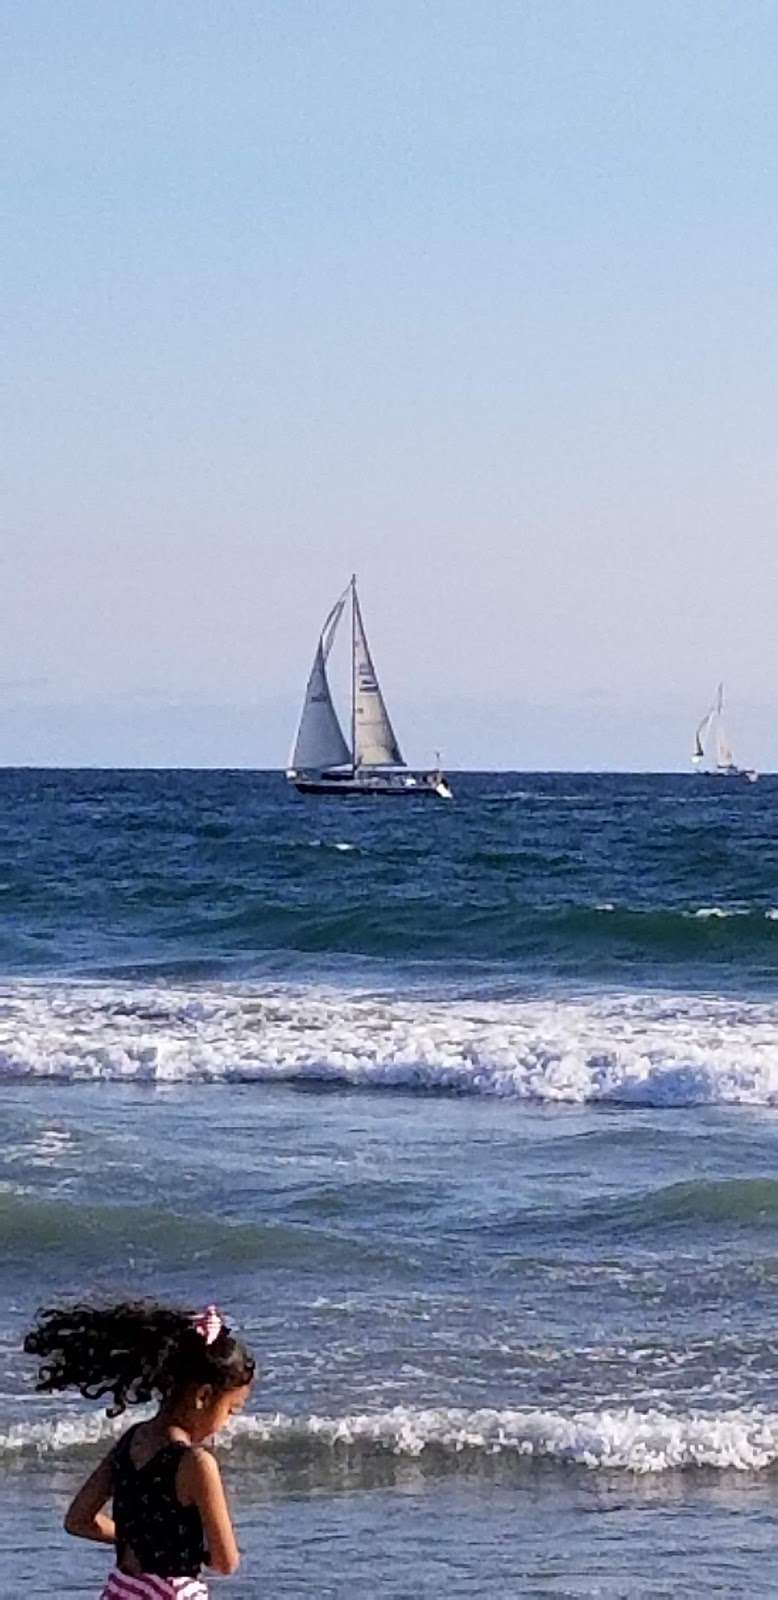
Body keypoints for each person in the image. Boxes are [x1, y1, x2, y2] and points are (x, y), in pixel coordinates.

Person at [24, 1299, 255, 1599]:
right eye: (230, 1411)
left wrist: (140, 1537)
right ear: (204, 1396)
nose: (227, 1423)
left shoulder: (131, 1441)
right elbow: (226, 1562)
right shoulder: (197, 1463)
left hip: (121, 1590)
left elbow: (79, 1520)